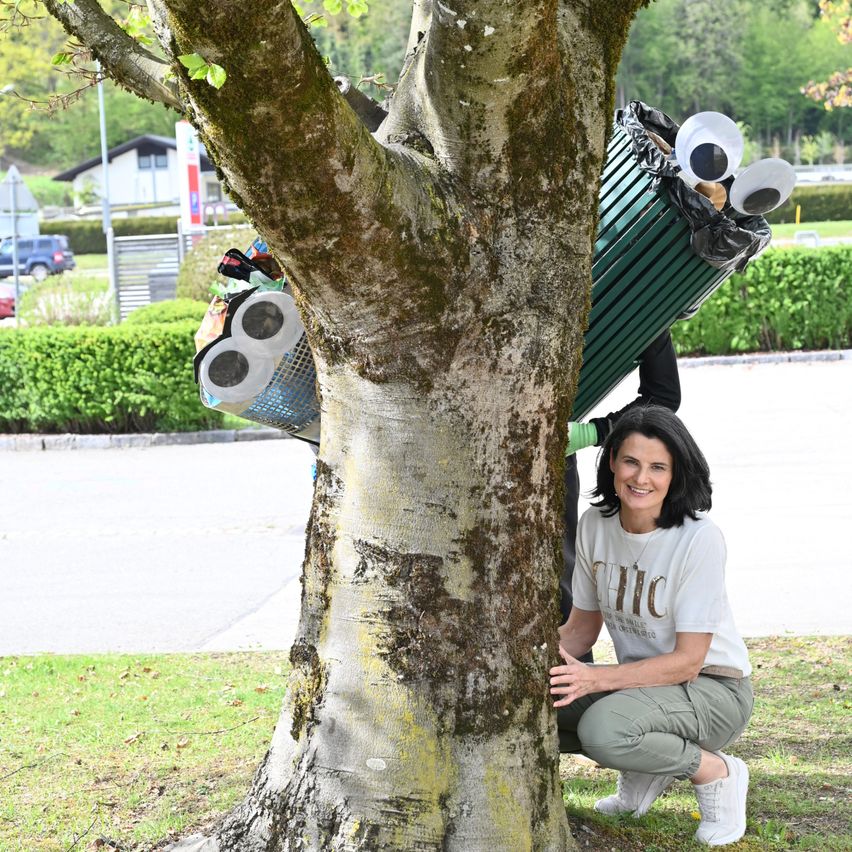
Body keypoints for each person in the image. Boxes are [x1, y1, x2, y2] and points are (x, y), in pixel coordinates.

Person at [551, 405, 753, 847]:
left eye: (658, 467)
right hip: (643, 688)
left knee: (603, 730)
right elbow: (582, 629)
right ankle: (643, 766)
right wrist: (535, 666)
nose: (641, 478)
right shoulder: (595, 525)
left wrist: (596, 678)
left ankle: (715, 772)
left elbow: (688, 661)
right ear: (611, 463)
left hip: (713, 689)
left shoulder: (698, 538)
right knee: (539, 703)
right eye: (631, 462)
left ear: (675, 473)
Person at [561, 329, 682, 657]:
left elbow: (663, 395)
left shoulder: (640, 297)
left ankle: (566, 691)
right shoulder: (642, 296)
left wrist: (592, 432)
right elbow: (665, 395)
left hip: (556, 453)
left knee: (557, 580)